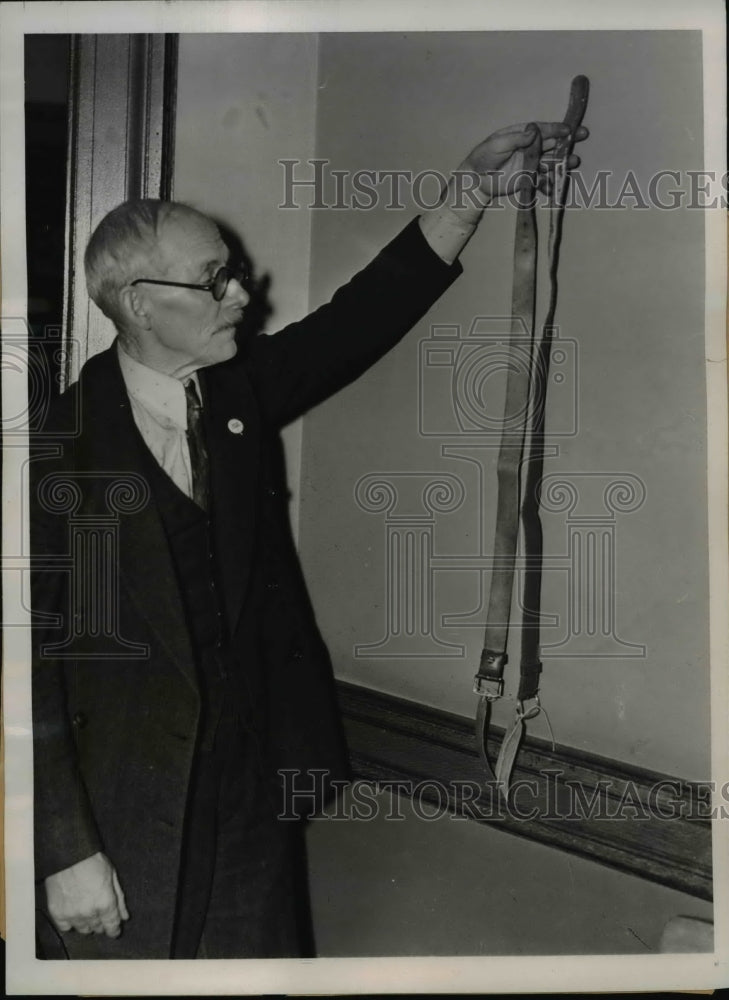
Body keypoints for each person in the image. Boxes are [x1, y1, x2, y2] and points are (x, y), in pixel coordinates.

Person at [30, 120, 586, 959]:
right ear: (138, 303)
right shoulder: (56, 450)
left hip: (252, 799)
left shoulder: (233, 394)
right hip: (119, 821)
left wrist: (470, 192)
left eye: (234, 274)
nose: (241, 296)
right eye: (213, 281)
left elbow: (355, 321)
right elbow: (20, 670)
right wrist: (65, 847)